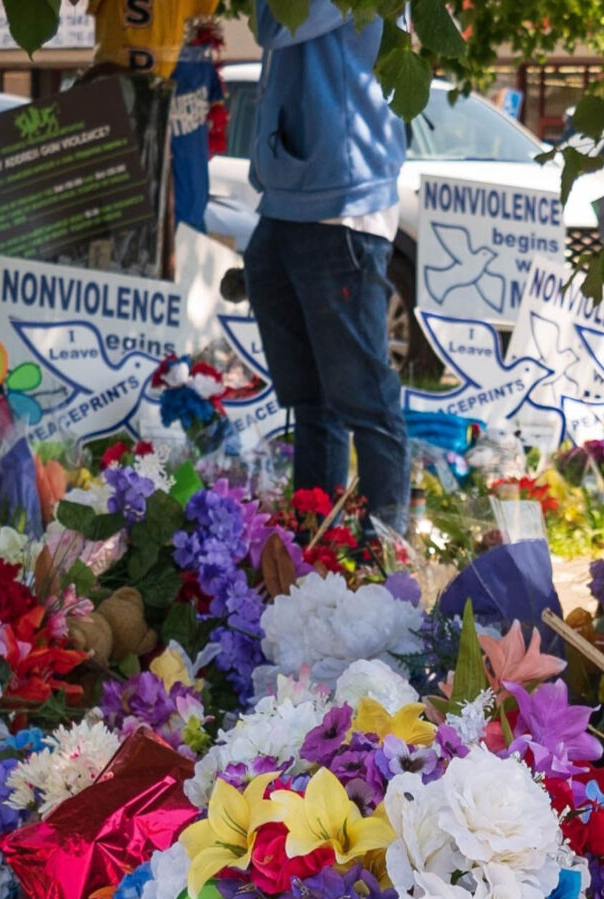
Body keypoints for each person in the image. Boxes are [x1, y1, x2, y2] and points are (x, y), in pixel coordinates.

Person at [240, 0, 411, 533]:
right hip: (289, 199)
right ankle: (318, 541)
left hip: (343, 205)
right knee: (313, 403)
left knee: (364, 402)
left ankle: (385, 556)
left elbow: (277, 22)